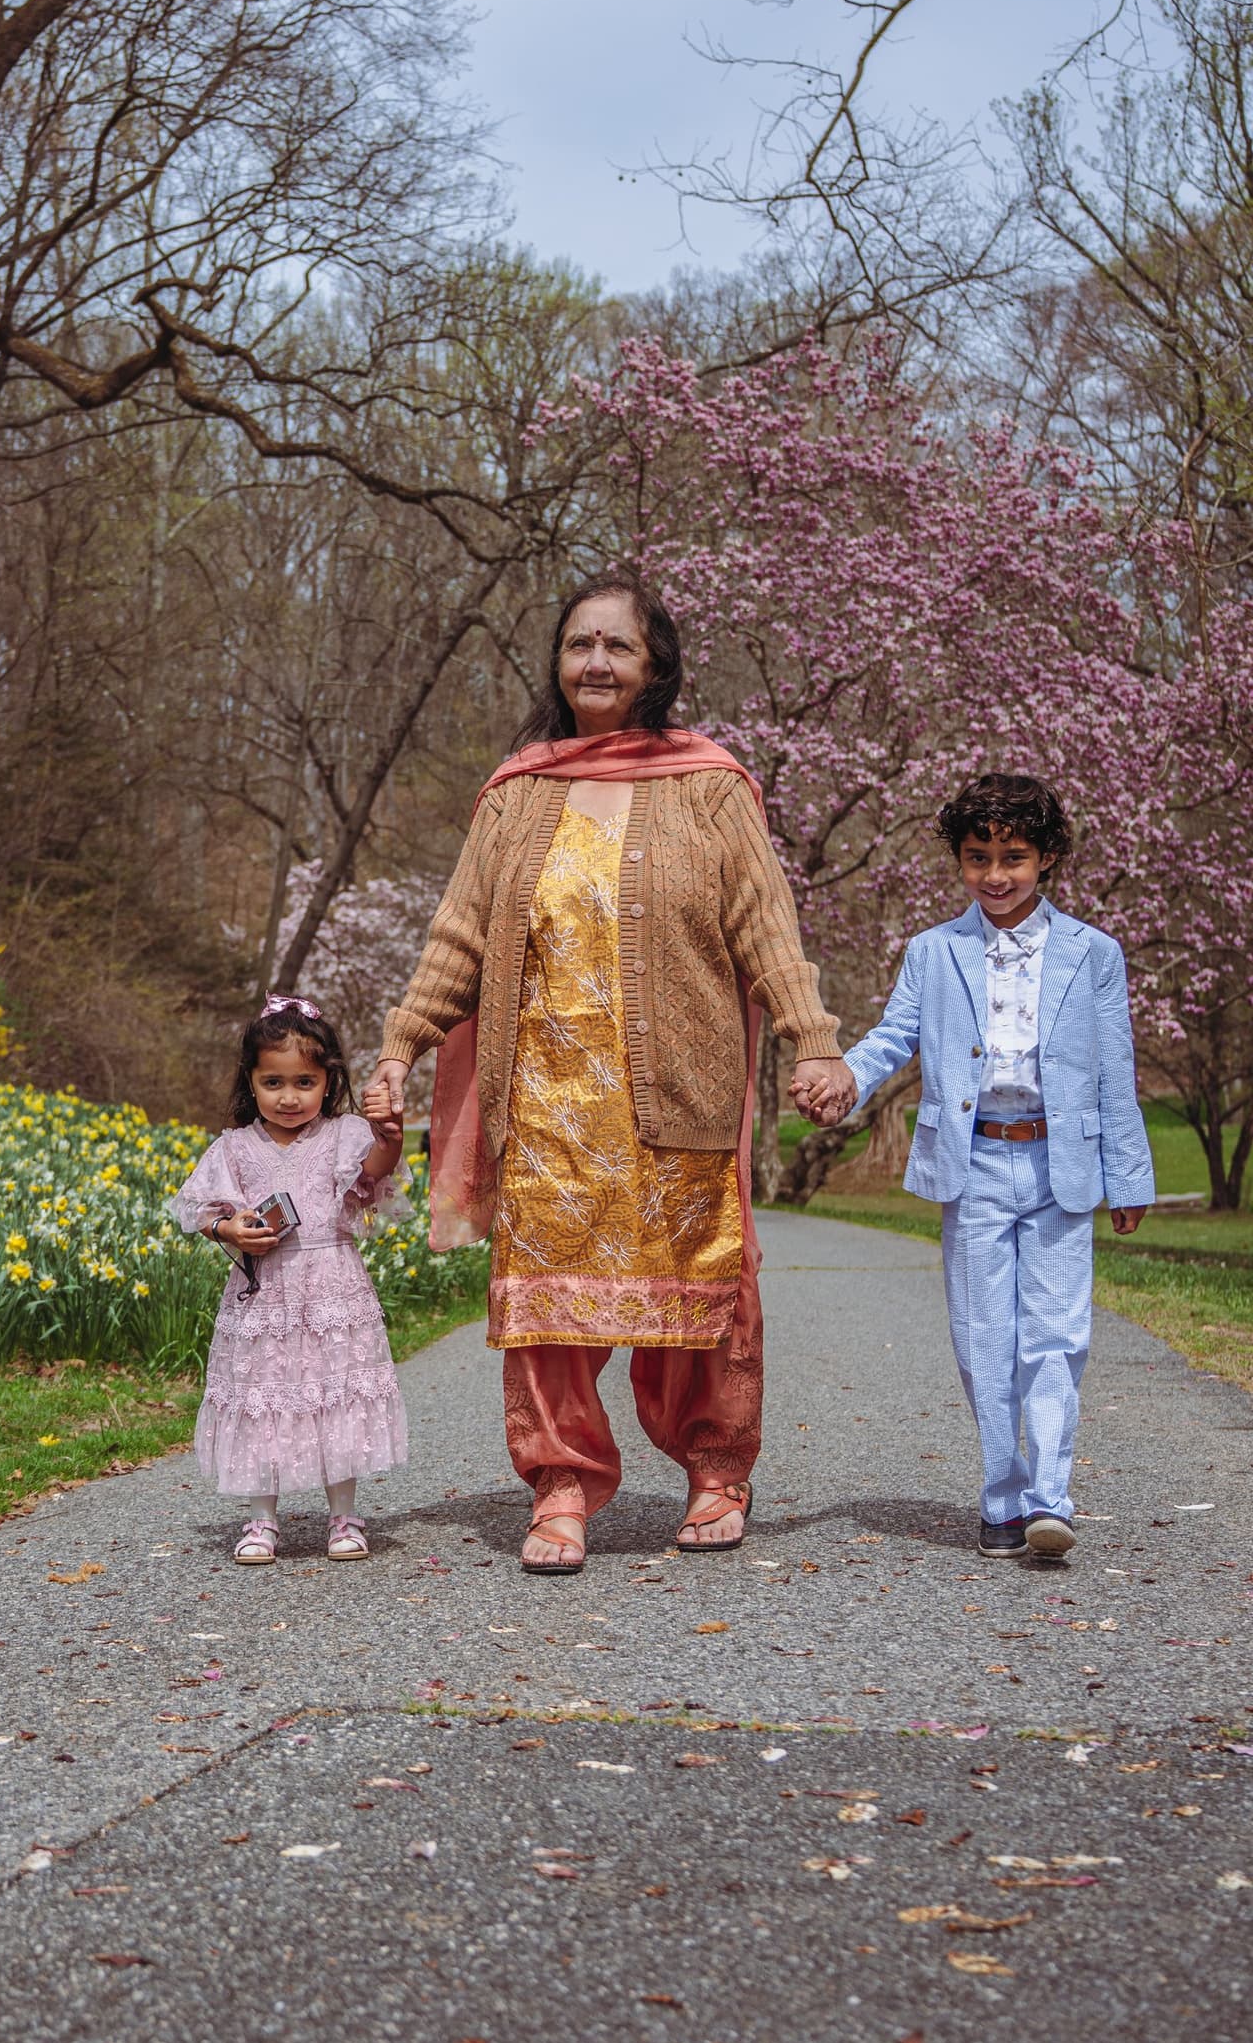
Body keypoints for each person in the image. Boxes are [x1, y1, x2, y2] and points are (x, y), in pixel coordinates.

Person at [364, 573, 842, 1573]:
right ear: (555, 659)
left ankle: (716, 1467)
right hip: (542, 1104)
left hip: (679, 1094)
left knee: (700, 1294)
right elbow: (458, 937)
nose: (594, 662)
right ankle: (562, 1482)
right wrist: (398, 1046)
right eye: (578, 643)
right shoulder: (516, 792)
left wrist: (813, 1036)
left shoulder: (708, 785)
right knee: (546, 1305)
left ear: (654, 666)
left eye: (616, 647)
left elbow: (764, 925)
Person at [795, 773, 1152, 1562]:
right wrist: (843, 1078)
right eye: (977, 856)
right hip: (975, 1161)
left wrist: (1128, 1177)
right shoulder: (935, 951)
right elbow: (894, 1037)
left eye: (1014, 857)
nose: (995, 874)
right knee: (984, 1336)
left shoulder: (1094, 954)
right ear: (958, 860)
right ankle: (1001, 1495)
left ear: (1049, 857)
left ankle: (1049, 1498)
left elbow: (1114, 1070)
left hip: (1062, 1163)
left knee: (1056, 1335)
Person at [172, 995, 409, 1564]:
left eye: (304, 1081)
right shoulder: (233, 1146)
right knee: (262, 1393)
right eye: (272, 1082)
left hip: (330, 1283)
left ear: (328, 1082)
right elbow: (202, 1209)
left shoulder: (345, 1133)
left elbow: (371, 1177)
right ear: (250, 1083)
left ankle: (344, 1516)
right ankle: (261, 1520)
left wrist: (391, 1138)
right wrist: (231, 1229)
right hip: (264, 1293)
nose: (289, 1096)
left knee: (334, 1390)